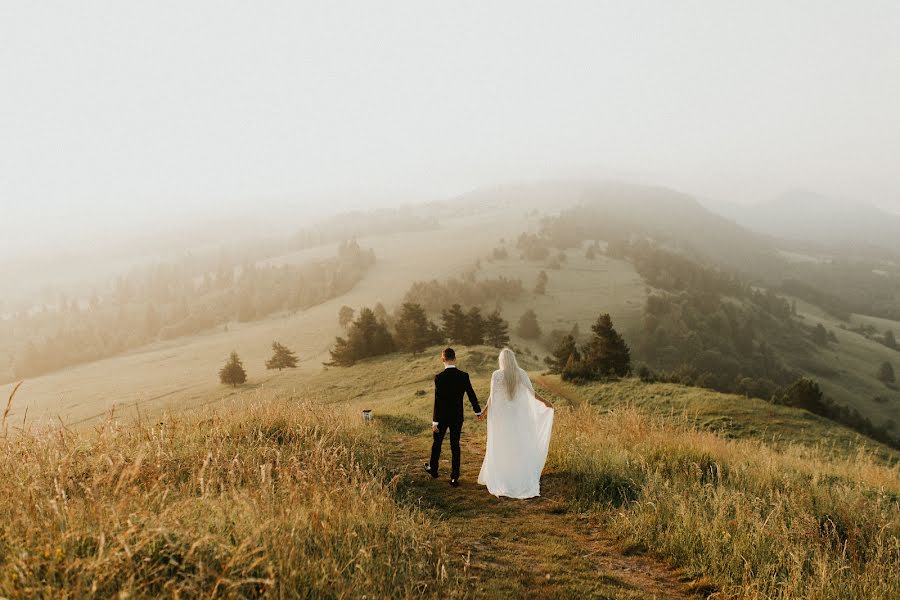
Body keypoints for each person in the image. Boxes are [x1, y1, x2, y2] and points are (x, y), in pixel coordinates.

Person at [477, 348, 554, 499]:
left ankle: (504, 474)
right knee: (519, 443)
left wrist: (484, 412)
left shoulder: (497, 375)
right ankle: (519, 474)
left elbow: (492, 397)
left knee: (503, 444)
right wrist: (545, 402)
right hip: (518, 416)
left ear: (501, 360)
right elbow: (532, 393)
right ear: (513, 359)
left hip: (503, 418)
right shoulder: (521, 373)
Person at [423, 347, 482, 487]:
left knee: (437, 443)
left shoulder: (439, 377)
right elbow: (471, 394)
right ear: (455, 359)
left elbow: (438, 401)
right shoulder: (463, 376)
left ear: (442, 359)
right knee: (455, 445)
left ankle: (433, 469)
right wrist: (478, 412)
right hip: (457, 416)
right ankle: (454, 478)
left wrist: (435, 421)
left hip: (442, 417)